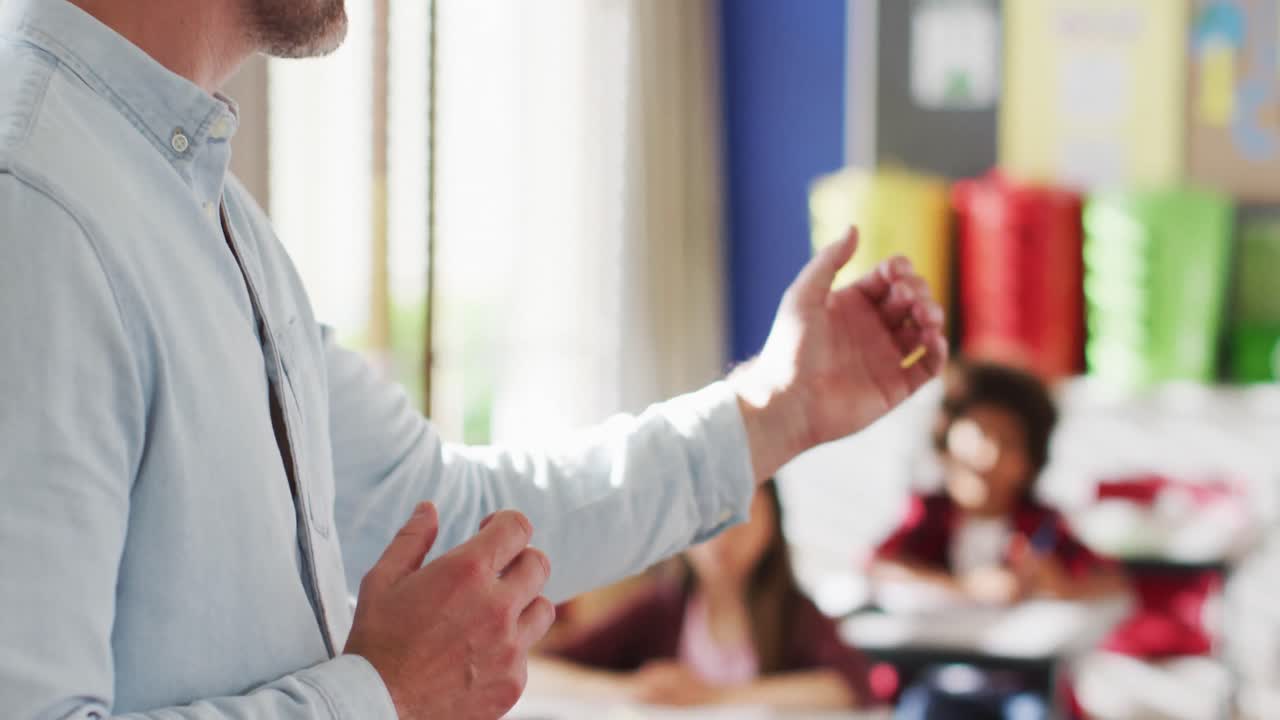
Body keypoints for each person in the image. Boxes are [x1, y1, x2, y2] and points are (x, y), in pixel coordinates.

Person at [0, 1, 948, 718]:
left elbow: (450, 519)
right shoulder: (33, 211)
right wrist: (380, 695)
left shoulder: (210, 213)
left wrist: (769, 415)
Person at [527, 481, 875, 710]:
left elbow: (851, 686)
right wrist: (629, 689)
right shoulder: (660, 608)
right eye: (708, 522)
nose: (723, 539)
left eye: (741, 518)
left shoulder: (793, 612)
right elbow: (537, 668)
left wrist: (714, 697)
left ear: (771, 524)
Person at [871, 361, 1128, 606]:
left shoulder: (1042, 524)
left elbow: (1113, 580)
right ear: (946, 439)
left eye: (1008, 443)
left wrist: (1061, 586)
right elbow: (878, 568)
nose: (989, 456)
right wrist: (965, 587)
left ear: (1031, 461)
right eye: (980, 433)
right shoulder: (929, 513)